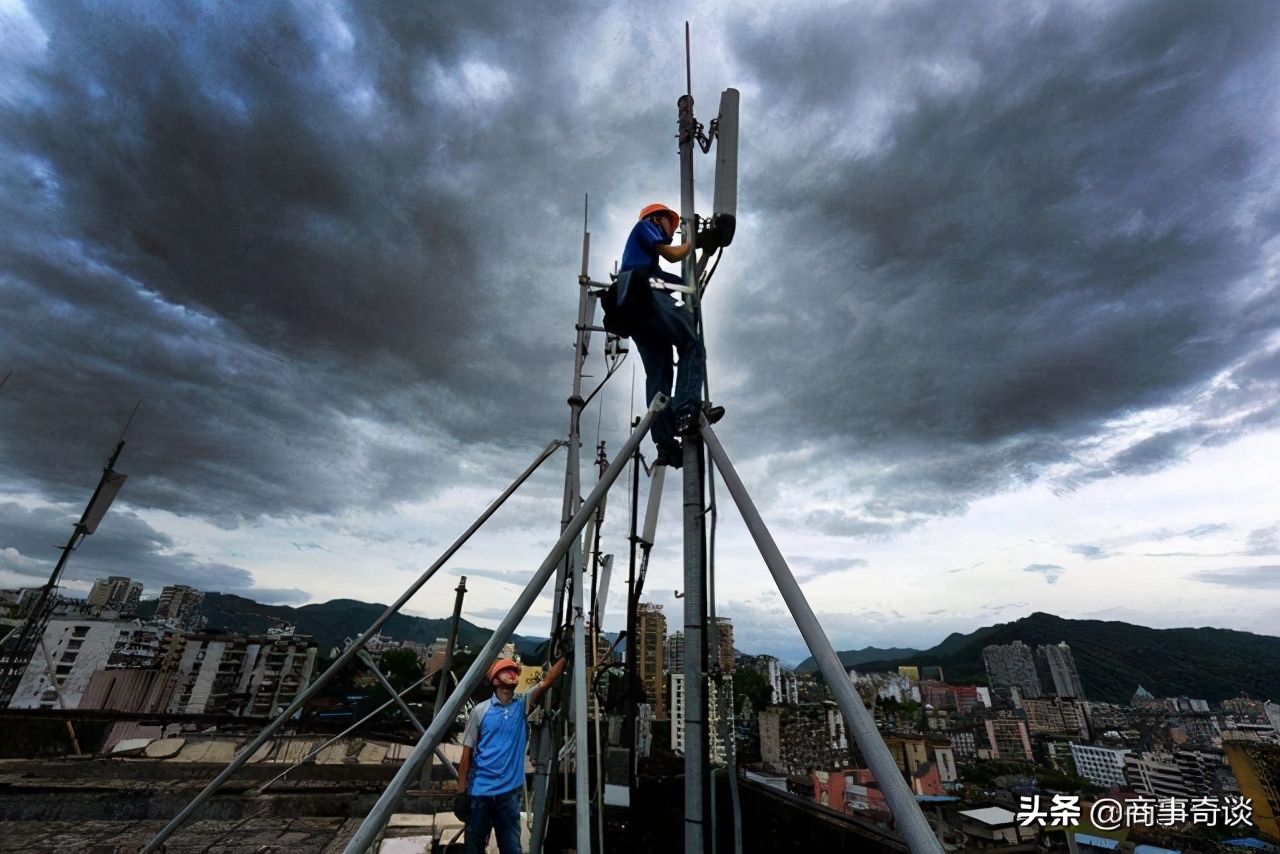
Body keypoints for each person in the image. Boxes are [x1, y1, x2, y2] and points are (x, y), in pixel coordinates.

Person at [610, 203, 724, 469]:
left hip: (633, 310)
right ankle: (686, 409)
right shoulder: (644, 227)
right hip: (644, 295)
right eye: (670, 224)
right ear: (656, 219)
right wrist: (696, 242)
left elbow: (667, 275)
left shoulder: (642, 261)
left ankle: (666, 444)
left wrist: (690, 279)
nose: (671, 231)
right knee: (690, 342)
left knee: (659, 373)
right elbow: (672, 255)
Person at [456, 655, 568, 854]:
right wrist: (461, 793)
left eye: (515, 671)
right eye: (506, 670)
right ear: (495, 680)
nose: (513, 673)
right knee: (473, 847)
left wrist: (566, 655)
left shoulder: (522, 705)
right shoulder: (480, 711)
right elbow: (467, 753)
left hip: (507, 795)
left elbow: (547, 681)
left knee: (511, 848)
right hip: (479, 792)